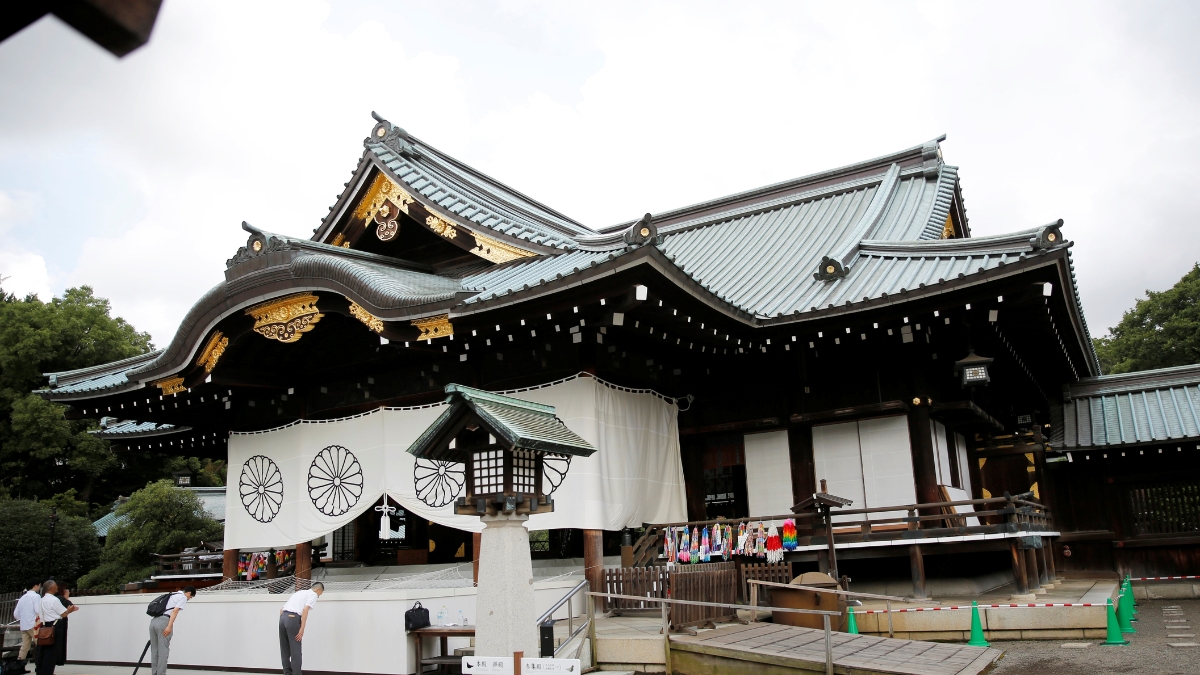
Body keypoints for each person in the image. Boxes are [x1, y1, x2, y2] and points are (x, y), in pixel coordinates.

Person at [148, 587, 196, 675]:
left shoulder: (172, 595)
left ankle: (154, 673)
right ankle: (161, 673)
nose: (189, 599)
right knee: (163, 650)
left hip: (153, 622)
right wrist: (169, 626)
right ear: (189, 593)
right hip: (164, 622)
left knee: (154, 650)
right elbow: (175, 611)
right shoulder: (183, 597)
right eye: (191, 597)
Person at [279, 583, 324, 675]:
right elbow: (305, 609)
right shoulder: (313, 594)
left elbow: (281, 609)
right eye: (320, 594)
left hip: (282, 618)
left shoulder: (299, 593)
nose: (318, 596)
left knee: (285, 649)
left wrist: (285, 619)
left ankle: (287, 673)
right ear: (318, 590)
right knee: (295, 650)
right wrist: (302, 628)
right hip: (293, 618)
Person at [35, 581, 77, 675]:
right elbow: (63, 614)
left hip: (44, 625)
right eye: (55, 586)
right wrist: (69, 610)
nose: (57, 588)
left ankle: (40, 670)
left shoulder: (42, 600)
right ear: (51, 588)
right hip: (55, 625)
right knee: (52, 651)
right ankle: (48, 671)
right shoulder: (54, 600)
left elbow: (40, 614)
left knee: (43, 649)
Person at [12, 580, 41, 672]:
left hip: (24, 625)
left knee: (25, 646)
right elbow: (38, 610)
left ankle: (19, 667)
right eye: (39, 585)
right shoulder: (36, 596)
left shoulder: (22, 598)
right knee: (40, 645)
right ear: (35, 586)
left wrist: (24, 617)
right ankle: (40, 666)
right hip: (33, 625)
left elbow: (16, 614)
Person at [53, 587, 74, 666]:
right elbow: (69, 609)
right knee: (59, 642)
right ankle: (59, 659)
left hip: (47, 624)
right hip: (59, 623)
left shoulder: (47, 599)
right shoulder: (59, 599)